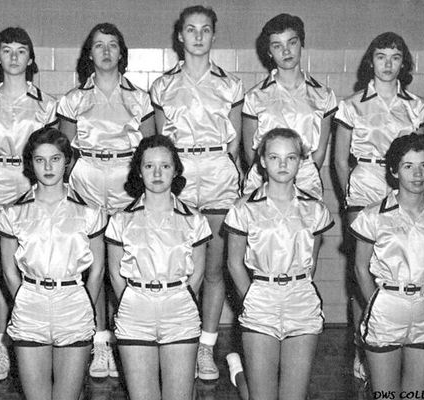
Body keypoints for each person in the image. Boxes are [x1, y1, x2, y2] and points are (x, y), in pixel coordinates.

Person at [333, 32, 424, 380]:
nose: (388, 64)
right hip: (364, 187)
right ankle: (364, 346)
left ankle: (398, 341)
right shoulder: (351, 104)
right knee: (361, 271)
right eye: (381, 56)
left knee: (396, 268)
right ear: (370, 61)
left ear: (404, 62)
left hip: (403, 189)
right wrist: (352, 194)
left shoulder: (416, 106)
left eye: (395, 57)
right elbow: (340, 160)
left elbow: (421, 152)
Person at [150, 5, 244, 380]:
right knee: (180, 264)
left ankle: (205, 347)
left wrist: (225, 168)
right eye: (191, 30)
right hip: (181, 175)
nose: (199, 36)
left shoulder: (230, 84)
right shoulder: (162, 85)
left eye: (205, 30)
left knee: (216, 268)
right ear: (180, 36)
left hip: (219, 171)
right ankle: (180, 341)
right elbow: (158, 142)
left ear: (213, 35)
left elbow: (236, 144)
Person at [57, 22, 155, 378]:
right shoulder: (73, 98)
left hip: (127, 183)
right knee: (94, 266)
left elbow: (149, 149)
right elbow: (64, 152)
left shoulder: (139, 98)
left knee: (127, 265)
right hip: (86, 182)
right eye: (99, 45)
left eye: (113, 44)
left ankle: (128, 338)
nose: (106, 51)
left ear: (121, 52)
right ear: (90, 54)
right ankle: (100, 342)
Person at [0, 127, 106, 400]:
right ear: (30, 163)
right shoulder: (13, 212)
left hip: (73, 304)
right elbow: (8, 271)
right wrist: (24, 297)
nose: (48, 167)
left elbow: (98, 268)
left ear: (67, 161)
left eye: (55, 159)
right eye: (40, 159)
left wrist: (84, 304)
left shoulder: (89, 211)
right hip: (31, 304)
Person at [0, 26, 59, 381]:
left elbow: (52, 153)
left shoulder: (46, 103)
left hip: (33, 186)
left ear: (30, 58)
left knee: (36, 270)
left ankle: (39, 344)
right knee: (1, 276)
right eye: (6, 50)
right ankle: (3, 349)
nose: (13, 56)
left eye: (20, 50)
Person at [224, 128, 334, 400]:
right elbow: (234, 263)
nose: (283, 164)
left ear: (301, 161)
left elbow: (313, 261)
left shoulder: (315, 208)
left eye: (291, 157)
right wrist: (252, 296)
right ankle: (240, 375)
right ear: (262, 160)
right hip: (261, 298)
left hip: (302, 301)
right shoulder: (243, 207)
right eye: (274, 157)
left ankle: (239, 373)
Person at [350, 133, 424, 395]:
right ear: (394, 171)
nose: (417, 173)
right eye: (408, 166)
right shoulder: (372, 216)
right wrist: (376, 305)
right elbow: (359, 268)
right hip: (386, 309)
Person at [105, 135, 211, 400]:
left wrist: (181, 299)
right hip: (135, 312)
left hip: (179, 311)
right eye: (149, 165)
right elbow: (115, 274)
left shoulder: (194, 220)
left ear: (175, 170)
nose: (157, 173)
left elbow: (198, 273)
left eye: (165, 166)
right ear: (139, 171)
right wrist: (131, 302)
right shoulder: (121, 219)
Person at [242, 13, 337, 198]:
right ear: (269, 52)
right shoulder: (255, 96)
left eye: (291, 43)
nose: (286, 51)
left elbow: (320, 150)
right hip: (264, 179)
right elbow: (249, 151)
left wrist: (303, 173)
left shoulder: (324, 95)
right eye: (277, 46)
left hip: (306, 179)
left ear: (301, 43)